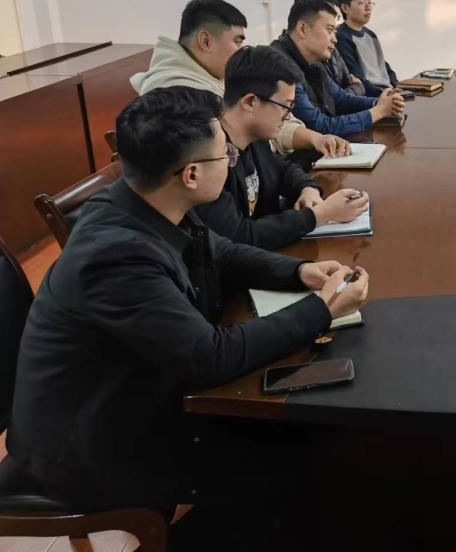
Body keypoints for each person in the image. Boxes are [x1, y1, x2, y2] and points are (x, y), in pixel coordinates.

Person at [6, 87, 369, 543]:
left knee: (309, 434)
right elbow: (209, 357)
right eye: (226, 156)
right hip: (94, 446)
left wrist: (299, 272)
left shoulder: (148, 201)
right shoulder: (116, 255)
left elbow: (221, 251)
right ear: (191, 173)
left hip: (136, 399)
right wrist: (321, 310)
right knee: (300, 464)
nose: (232, 162)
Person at [194, 46, 371, 250]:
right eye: (285, 107)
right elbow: (238, 237)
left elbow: (284, 170)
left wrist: (308, 189)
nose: (288, 117)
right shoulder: (209, 157)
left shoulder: (254, 136)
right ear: (250, 102)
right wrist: (320, 215)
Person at [130, 0, 348, 157]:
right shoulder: (174, 92)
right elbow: (251, 137)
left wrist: (315, 138)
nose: (242, 50)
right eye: (237, 41)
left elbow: (271, 120)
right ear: (206, 41)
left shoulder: (217, 73)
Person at [271, 0, 405, 137]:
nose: (335, 39)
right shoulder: (280, 65)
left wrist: (378, 102)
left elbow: (340, 99)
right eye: (329, 30)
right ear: (303, 28)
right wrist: (379, 111)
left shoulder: (312, 59)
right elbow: (320, 127)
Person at [293, 0, 366, 96]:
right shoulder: (305, 56)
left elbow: (348, 81)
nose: (332, 19)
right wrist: (358, 88)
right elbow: (334, 99)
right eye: (328, 12)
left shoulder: (332, 48)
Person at [335, 0, 399, 97]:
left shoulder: (371, 35)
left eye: (369, 3)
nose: (368, 7)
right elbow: (355, 76)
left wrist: (396, 87)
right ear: (345, 8)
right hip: (369, 96)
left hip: (386, 93)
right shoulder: (341, 36)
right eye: (361, 3)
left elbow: (384, 67)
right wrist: (383, 94)